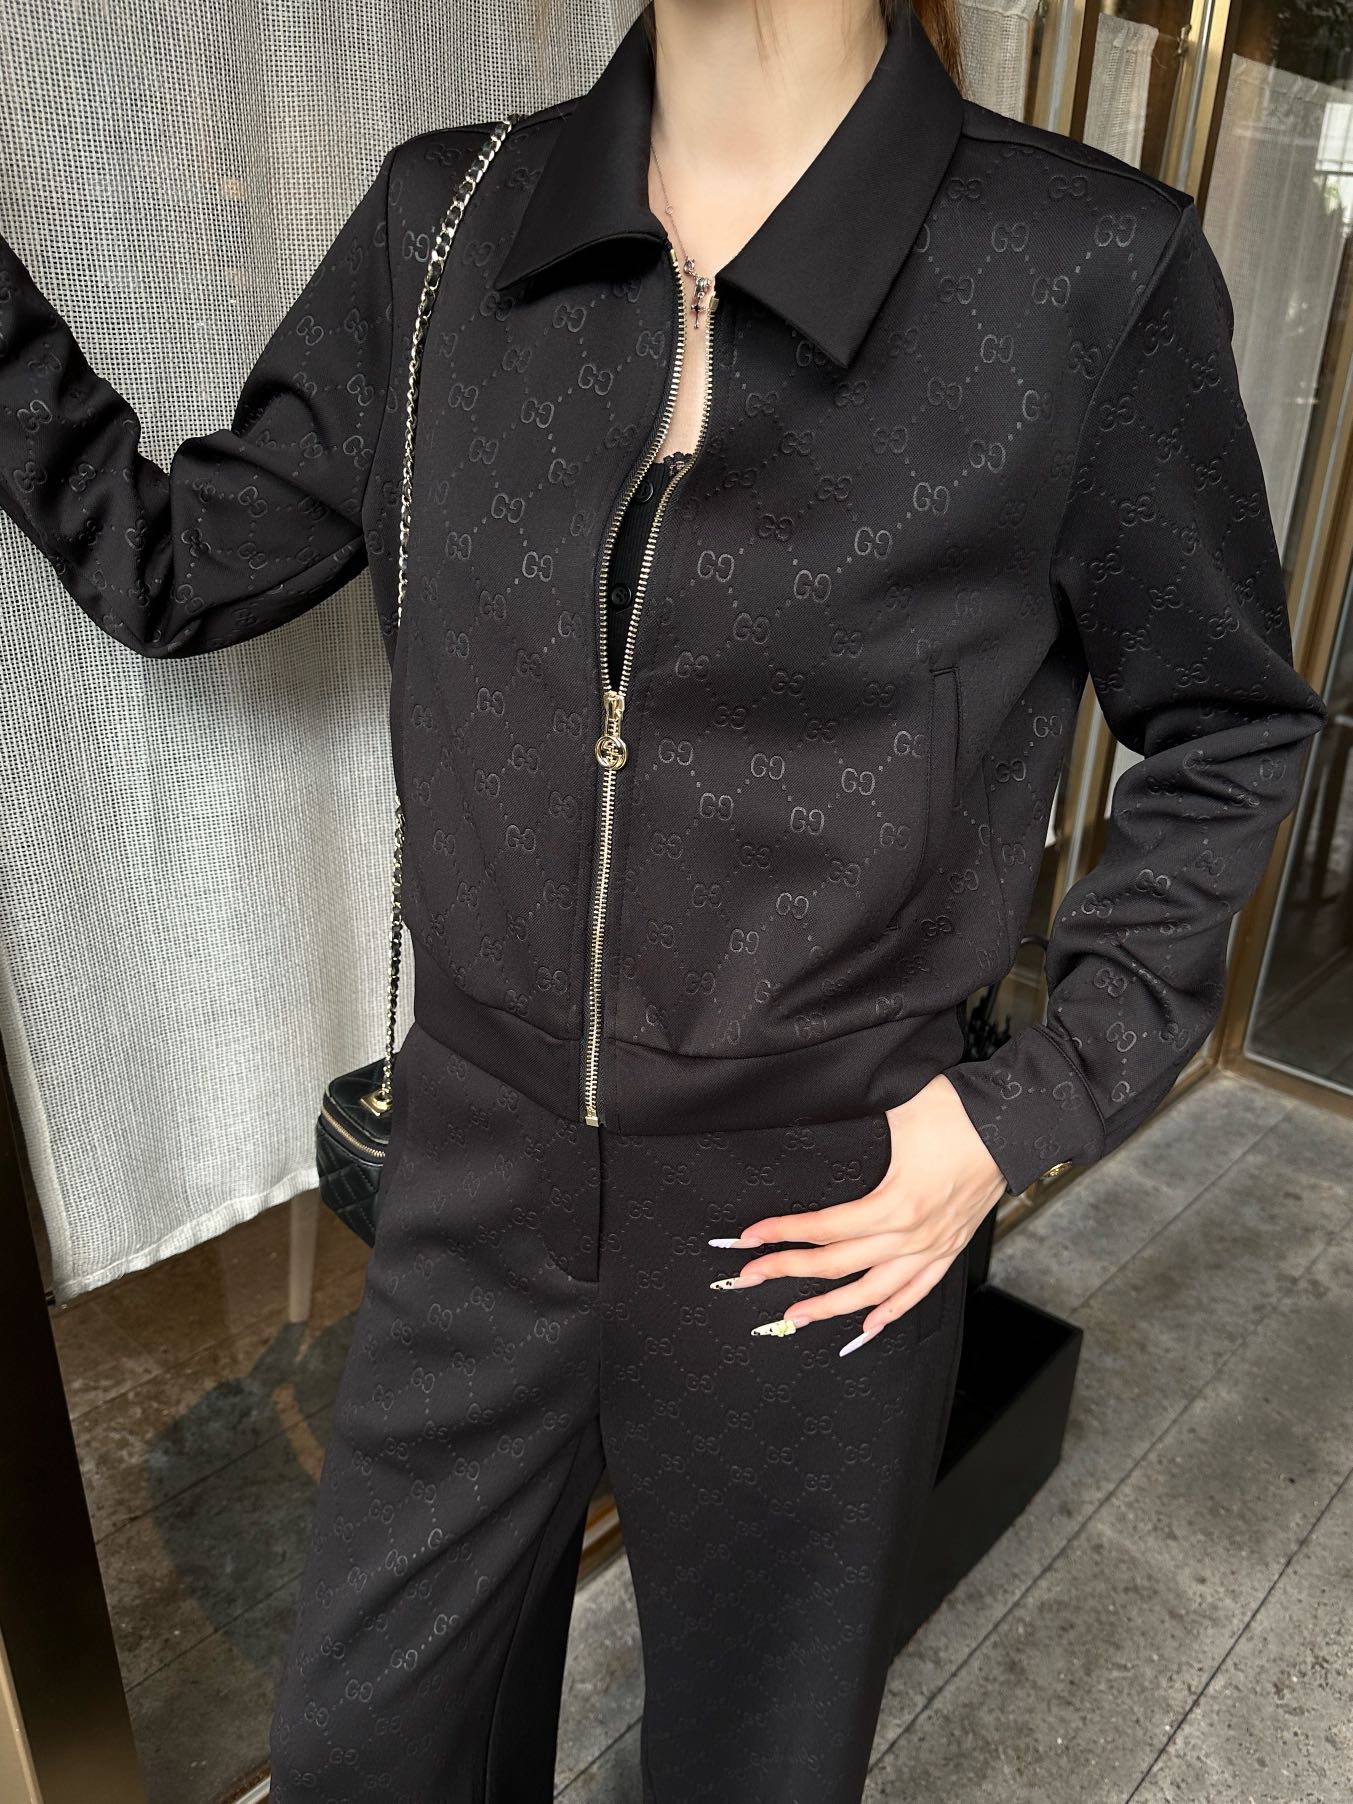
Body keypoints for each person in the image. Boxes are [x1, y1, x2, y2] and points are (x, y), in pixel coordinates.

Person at [0, 0, 1326, 1798]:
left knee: (752, 1767)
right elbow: (174, 565)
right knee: (365, 1751)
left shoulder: (1077, 268)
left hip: (817, 1202)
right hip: (475, 1167)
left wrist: (1020, 1107)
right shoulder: (446, 221)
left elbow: (1228, 723)